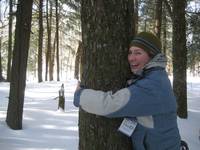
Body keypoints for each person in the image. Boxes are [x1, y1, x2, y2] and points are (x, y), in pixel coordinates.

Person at [73, 32, 181, 150]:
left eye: (138, 53)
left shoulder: (152, 85)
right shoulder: (154, 77)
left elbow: (110, 104)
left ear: (152, 55)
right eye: (130, 52)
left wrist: (80, 95)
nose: (131, 58)